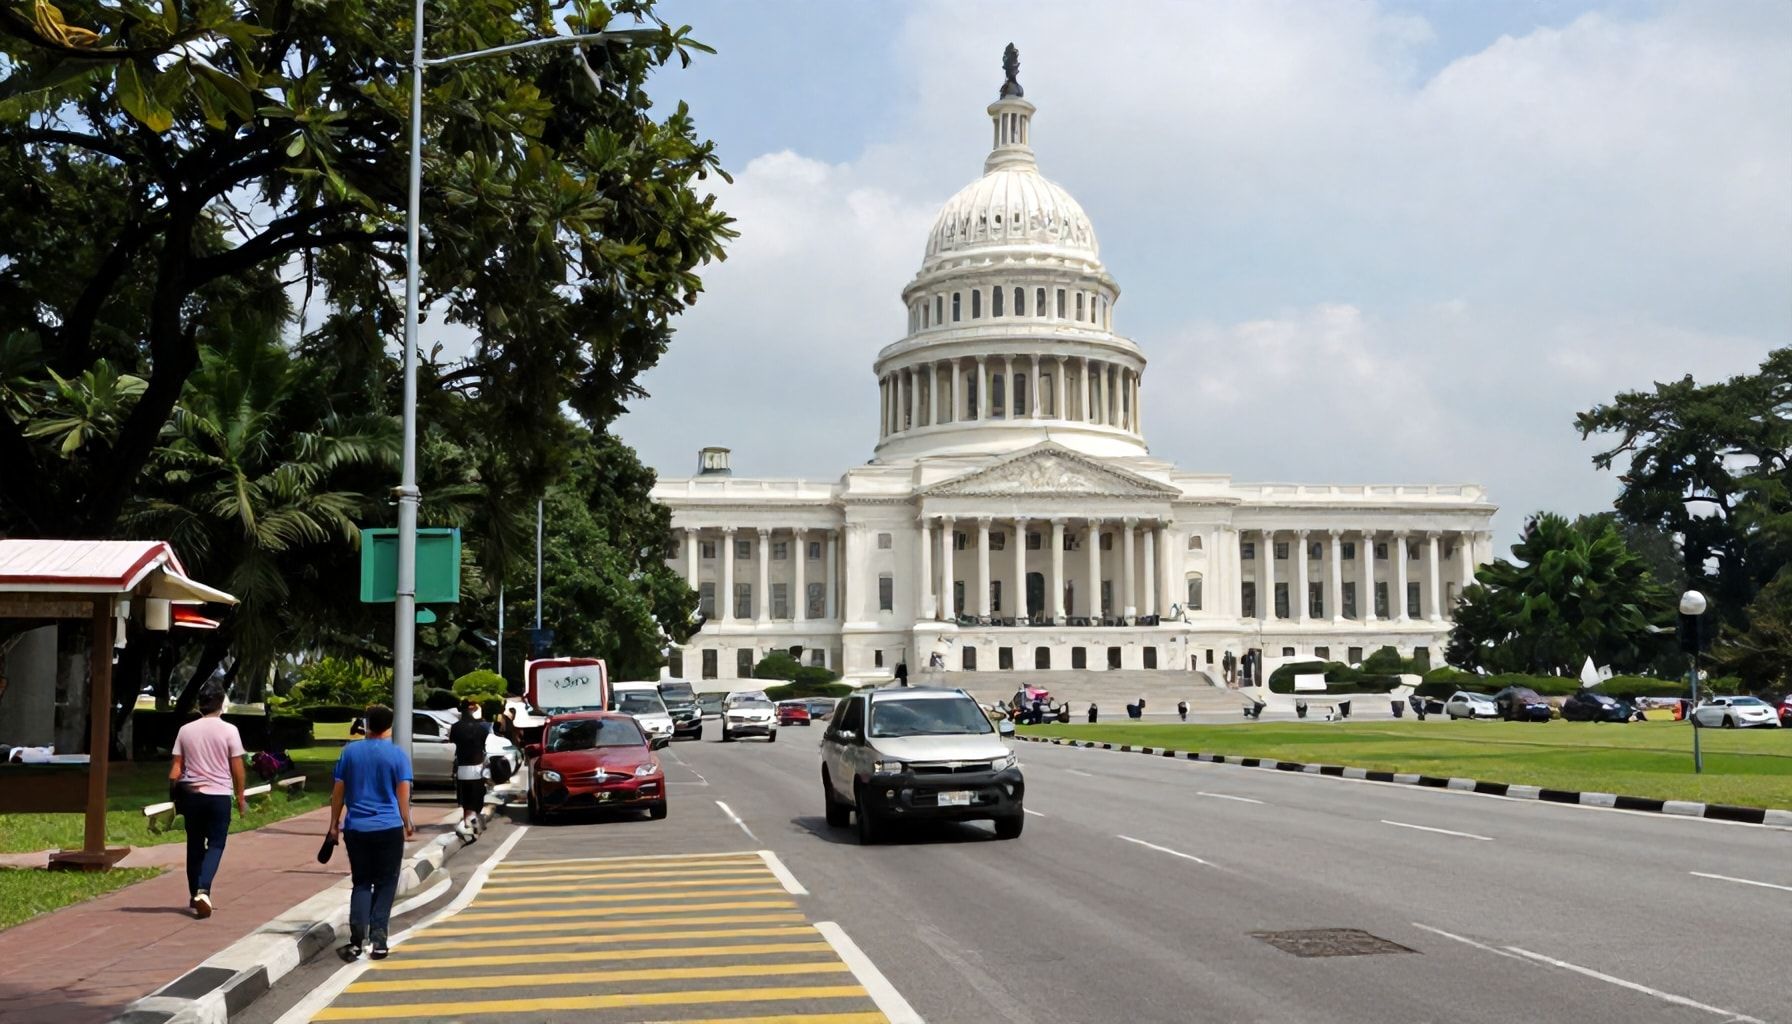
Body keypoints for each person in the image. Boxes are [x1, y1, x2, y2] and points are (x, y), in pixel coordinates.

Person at [328, 704, 414, 961]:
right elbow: (403, 795)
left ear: (367, 724)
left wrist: (334, 823)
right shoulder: (397, 755)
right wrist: (407, 822)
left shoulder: (350, 752)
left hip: (356, 828)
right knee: (386, 883)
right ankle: (379, 940)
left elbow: (338, 792)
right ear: (389, 726)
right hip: (388, 828)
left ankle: (356, 940)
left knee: (362, 882)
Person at [169, 684, 247, 919]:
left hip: (192, 795)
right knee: (216, 844)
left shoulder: (185, 730)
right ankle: (203, 890)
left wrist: (173, 793)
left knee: (194, 845)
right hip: (219, 795)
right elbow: (237, 768)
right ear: (221, 702)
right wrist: (241, 796)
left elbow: (176, 768)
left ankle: (196, 894)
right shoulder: (230, 730)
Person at [448, 699, 488, 841]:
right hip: (478, 768)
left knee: (465, 798)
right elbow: (484, 746)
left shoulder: (455, 728)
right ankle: (473, 820)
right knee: (476, 796)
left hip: (462, 767)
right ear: (473, 709)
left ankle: (467, 821)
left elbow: (452, 743)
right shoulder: (482, 728)